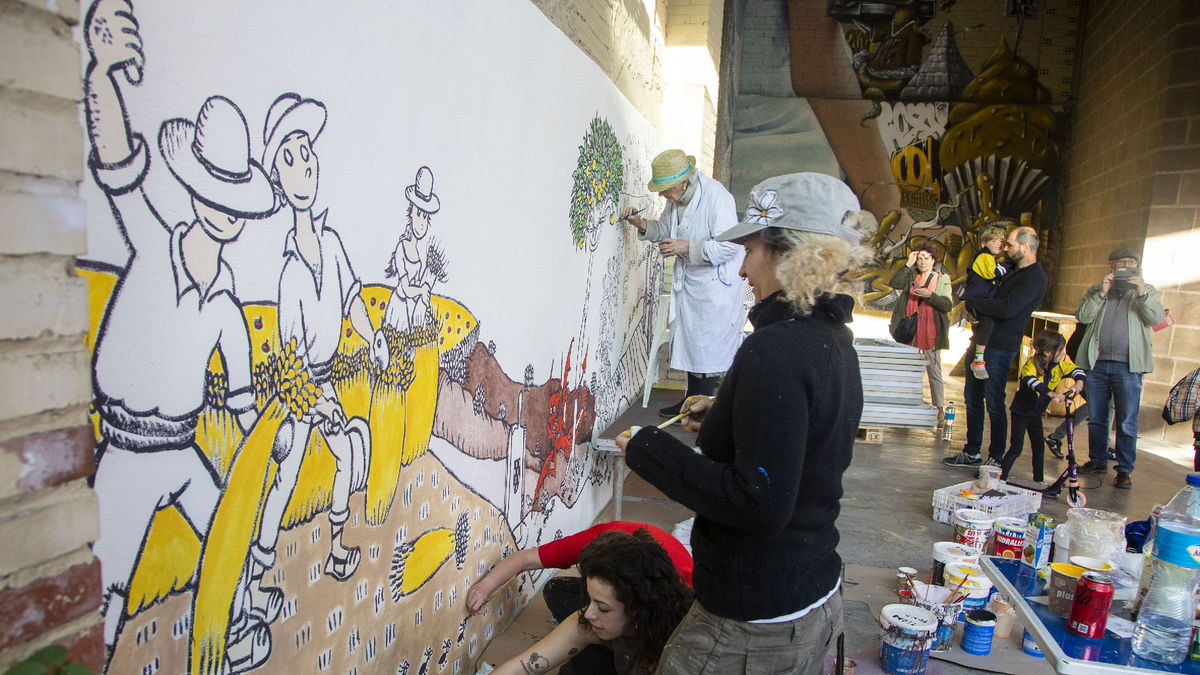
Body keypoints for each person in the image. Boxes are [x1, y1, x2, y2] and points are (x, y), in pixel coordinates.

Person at [82, 1, 274, 669]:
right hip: (129, 448)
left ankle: (235, 624)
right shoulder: (151, 238)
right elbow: (115, 163)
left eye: (235, 201)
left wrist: (265, 450)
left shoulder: (225, 308)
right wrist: (104, 73)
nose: (224, 212)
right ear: (192, 190)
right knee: (103, 591)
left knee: (232, 530)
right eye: (212, 194)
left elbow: (247, 405)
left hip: (183, 446)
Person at [618, 172, 872, 675]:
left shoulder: (776, 350)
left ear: (791, 255)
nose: (741, 271)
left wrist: (647, 448)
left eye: (750, 251)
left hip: (757, 620)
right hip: (810, 588)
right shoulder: (831, 340)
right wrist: (730, 411)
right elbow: (807, 437)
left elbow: (757, 501)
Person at [249, 93, 380, 614]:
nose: (306, 165)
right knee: (284, 473)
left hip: (322, 379)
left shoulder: (331, 242)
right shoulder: (290, 271)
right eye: (292, 157)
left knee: (349, 450)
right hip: (297, 386)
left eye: (308, 154)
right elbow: (289, 355)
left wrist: (374, 336)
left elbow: (353, 299)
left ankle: (338, 544)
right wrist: (312, 401)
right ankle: (258, 572)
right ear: (279, 181)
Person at [469, 521, 692, 675]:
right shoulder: (591, 618)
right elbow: (520, 666)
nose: (588, 613)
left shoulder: (685, 646)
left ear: (639, 610)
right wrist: (485, 586)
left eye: (603, 608)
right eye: (590, 600)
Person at [621, 149, 746, 417]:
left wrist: (685, 247)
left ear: (682, 182)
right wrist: (640, 223)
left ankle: (703, 408)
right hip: (692, 282)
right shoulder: (677, 200)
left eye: (664, 190)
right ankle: (691, 401)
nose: (661, 195)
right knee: (693, 343)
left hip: (716, 284)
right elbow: (666, 231)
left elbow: (730, 246)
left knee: (708, 346)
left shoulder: (716, 196)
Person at [943, 226, 1047, 469]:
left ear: (1027, 247)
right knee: (972, 398)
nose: (1006, 248)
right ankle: (972, 451)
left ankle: (996, 456)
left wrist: (974, 303)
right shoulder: (1010, 269)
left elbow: (1007, 308)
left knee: (994, 401)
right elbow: (992, 298)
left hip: (1000, 347)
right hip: (981, 339)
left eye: (1010, 244)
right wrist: (974, 310)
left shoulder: (1034, 278)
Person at [1074, 247, 1166, 489]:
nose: (1125, 267)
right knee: (1097, 418)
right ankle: (1097, 461)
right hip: (1098, 364)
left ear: (1138, 267)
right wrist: (1101, 293)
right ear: (1111, 266)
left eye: (1130, 263)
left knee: (1126, 420)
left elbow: (1156, 319)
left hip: (1129, 367)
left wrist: (1142, 291)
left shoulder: (1147, 292)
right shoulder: (1098, 290)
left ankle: (1124, 470)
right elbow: (1083, 316)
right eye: (1120, 263)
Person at [998, 330, 1086, 483]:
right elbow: (1031, 381)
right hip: (1021, 412)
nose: (1062, 354)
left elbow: (1076, 370)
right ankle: (1000, 477)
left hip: (1035, 414)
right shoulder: (1031, 365)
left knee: (1039, 448)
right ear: (1047, 352)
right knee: (1016, 448)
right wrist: (1051, 394)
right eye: (1059, 351)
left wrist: (1079, 382)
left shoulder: (1058, 366)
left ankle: (1039, 480)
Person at [888, 241, 953, 425]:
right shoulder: (911, 274)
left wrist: (930, 296)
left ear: (933, 260)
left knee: (933, 370)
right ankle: (904, 407)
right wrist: (908, 263)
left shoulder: (941, 279)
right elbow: (895, 283)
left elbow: (947, 305)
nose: (922, 262)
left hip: (930, 329)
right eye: (920, 258)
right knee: (907, 370)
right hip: (910, 327)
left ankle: (939, 410)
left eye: (926, 258)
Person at [961, 226, 1009, 379]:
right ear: (984, 243)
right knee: (987, 323)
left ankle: (977, 358)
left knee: (983, 326)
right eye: (994, 240)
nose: (998, 244)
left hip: (977, 300)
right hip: (977, 299)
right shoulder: (984, 257)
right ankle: (978, 360)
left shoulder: (988, 258)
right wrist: (1008, 266)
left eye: (1001, 241)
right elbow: (993, 274)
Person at [1045, 321, 1091, 459]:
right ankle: (1056, 436)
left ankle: (1056, 436)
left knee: (1101, 404)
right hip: (1088, 358)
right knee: (1097, 404)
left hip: (1093, 360)